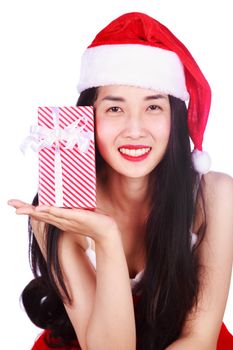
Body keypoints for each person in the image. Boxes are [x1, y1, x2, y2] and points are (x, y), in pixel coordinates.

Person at [8, 12, 233, 350]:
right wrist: (106, 236)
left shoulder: (215, 195)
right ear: (89, 115)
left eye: (154, 107)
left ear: (175, 117)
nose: (135, 130)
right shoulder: (59, 204)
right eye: (114, 109)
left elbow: (199, 339)